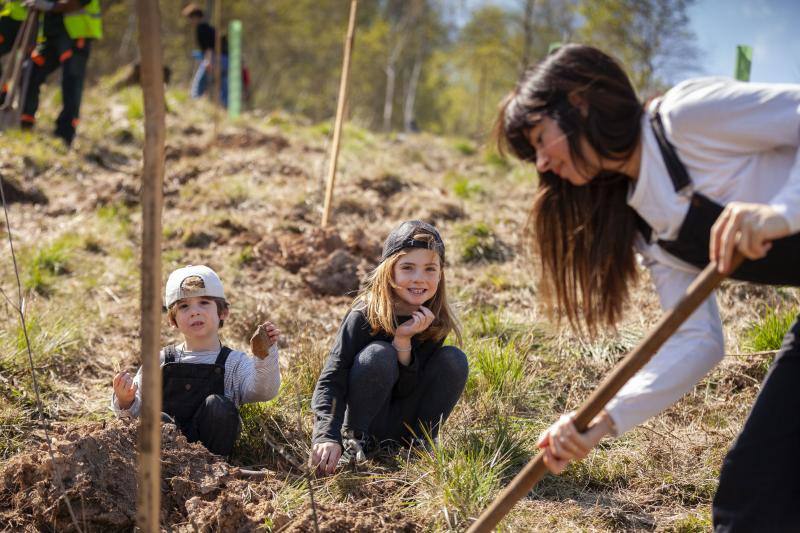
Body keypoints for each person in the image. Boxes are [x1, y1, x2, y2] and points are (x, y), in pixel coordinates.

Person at [494, 43, 800, 531]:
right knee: (754, 496)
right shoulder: (649, 227)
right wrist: (600, 423)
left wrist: (782, 212)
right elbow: (698, 341)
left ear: (580, 102)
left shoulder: (686, 118)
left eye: (539, 140)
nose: (542, 166)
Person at [309, 220, 469, 475]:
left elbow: (408, 387)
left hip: (403, 421)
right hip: (366, 419)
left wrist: (403, 343)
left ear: (441, 274)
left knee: (454, 359)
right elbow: (332, 377)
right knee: (378, 355)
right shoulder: (364, 315)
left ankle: (418, 443)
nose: (419, 278)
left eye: (430, 268)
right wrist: (326, 435)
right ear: (389, 271)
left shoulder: (434, 318)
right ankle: (355, 440)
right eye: (408, 268)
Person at [111, 265, 282, 456]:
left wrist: (264, 355)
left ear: (223, 312)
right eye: (184, 306)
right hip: (165, 459)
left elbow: (264, 391)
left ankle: (214, 467)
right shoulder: (161, 360)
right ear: (173, 320)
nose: (195, 312)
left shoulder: (234, 363)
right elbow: (135, 414)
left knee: (218, 406)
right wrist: (125, 400)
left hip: (213, 463)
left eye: (204, 302)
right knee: (156, 419)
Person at [19, 0, 101, 146]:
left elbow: (77, 3)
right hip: (51, 38)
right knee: (30, 70)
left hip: (76, 35)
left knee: (71, 82)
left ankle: (65, 134)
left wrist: (50, 6)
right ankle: (25, 122)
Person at [182, 2, 227, 107]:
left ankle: (195, 105)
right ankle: (226, 107)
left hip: (215, 59)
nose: (190, 21)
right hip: (226, 60)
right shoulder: (209, 28)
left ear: (196, 17)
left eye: (190, 18)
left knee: (198, 85)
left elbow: (209, 47)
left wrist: (208, 62)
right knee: (223, 85)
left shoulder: (201, 28)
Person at [0, 0, 27, 104]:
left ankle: (22, 105)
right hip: (7, 20)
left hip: (29, 19)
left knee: (26, 63)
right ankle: (3, 91)